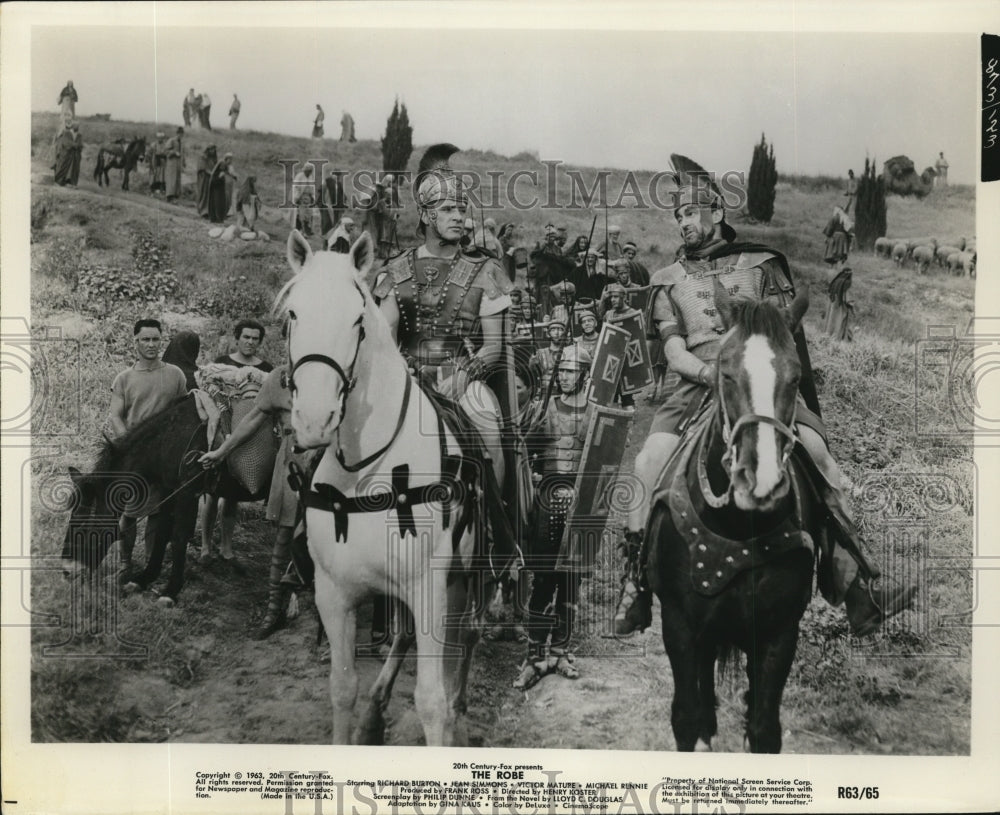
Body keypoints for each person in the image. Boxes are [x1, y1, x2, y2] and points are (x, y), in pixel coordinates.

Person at [613, 177, 916, 638]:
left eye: (691, 214)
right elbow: (673, 351)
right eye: (677, 217)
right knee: (647, 461)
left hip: (761, 382)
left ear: (716, 214)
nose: (684, 224)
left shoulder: (761, 263)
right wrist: (710, 375)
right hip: (699, 382)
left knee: (817, 453)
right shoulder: (664, 280)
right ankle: (634, 585)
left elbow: (782, 331)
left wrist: (758, 375)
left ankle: (858, 584)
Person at [372, 145, 513, 405]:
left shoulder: (485, 270)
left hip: (462, 380)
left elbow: (494, 345)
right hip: (406, 379)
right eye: (448, 210)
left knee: (486, 425)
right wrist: (401, 374)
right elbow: (385, 337)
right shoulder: (395, 270)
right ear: (426, 214)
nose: (458, 217)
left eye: (461, 210)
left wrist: (464, 377)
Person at [199, 361, 307, 638]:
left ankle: (319, 608)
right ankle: (275, 608)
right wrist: (222, 451)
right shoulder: (278, 377)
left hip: (329, 459)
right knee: (285, 534)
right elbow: (252, 419)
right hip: (292, 458)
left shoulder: (334, 370)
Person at [513, 345, 594, 689]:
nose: (563, 376)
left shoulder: (595, 413)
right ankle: (534, 656)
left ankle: (560, 651)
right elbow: (524, 448)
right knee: (544, 578)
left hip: (580, 505)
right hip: (548, 501)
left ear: (584, 375)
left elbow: (602, 461)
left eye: (570, 371)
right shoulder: (545, 409)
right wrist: (530, 476)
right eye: (560, 370)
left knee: (571, 581)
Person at [109, 319, 189, 569]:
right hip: (135, 457)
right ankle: (125, 563)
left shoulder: (175, 374)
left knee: (159, 512)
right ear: (136, 342)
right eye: (146, 339)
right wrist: (128, 446)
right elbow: (115, 415)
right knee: (130, 513)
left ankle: (149, 565)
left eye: (156, 339)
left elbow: (182, 411)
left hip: (165, 459)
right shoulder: (124, 378)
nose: (152, 344)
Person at [200, 320, 273, 562]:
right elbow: (209, 394)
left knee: (232, 496)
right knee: (212, 492)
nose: (250, 342)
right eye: (246, 337)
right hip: (221, 436)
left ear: (260, 342)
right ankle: (205, 545)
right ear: (237, 338)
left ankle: (226, 546)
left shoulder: (266, 369)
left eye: (255, 338)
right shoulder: (223, 363)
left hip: (247, 443)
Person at [531, 320, 567, 389]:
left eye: (560, 330)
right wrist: (532, 364)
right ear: (548, 334)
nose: (556, 333)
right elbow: (531, 375)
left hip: (565, 393)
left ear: (564, 333)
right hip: (546, 392)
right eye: (553, 330)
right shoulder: (540, 353)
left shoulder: (569, 352)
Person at [207, 152, 237, 223]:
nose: (231, 161)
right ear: (227, 159)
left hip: (219, 185)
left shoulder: (225, 164)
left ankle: (219, 218)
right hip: (216, 186)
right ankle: (217, 218)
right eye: (230, 159)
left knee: (220, 202)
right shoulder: (222, 163)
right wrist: (222, 176)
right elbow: (220, 175)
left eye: (231, 159)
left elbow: (226, 173)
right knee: (218, 202)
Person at [291, 163, 317, 236]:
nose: (309, 172)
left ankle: (308, 230)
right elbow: (295, 187)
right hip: (301, 197)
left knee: (309, 215)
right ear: (305, 170)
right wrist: (296, 198)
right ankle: (300, 230)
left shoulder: (311, 177)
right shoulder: (299, 176)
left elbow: (312, 188)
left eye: (310, 171)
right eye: (308, 171)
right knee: (301, 215)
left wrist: (313, 197)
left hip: (308, 197)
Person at [822, 205, 853, 270]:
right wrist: (848, 239)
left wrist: (828, 236)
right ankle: (839, 267)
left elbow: (830, 229)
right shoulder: (846, 218)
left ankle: (832, 268)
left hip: (835, 236)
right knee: (841, 253)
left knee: (833, 252)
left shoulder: (834, 218)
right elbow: (849, 230)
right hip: (843, 238)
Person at [53, 121, 82, 187]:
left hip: (75, 155)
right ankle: (59, 181)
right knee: (63, 167)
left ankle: (71, 182)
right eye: (76, 126)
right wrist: (74, 145)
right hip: (66, 154)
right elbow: (66, 143)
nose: (77, 128)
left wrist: (77, 145)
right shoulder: (67, 133)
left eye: (78, 127)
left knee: (74, 169)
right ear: (73, 126)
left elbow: (80, 144)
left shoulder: (79, 135)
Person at [196, 145, 218, 217]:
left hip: (211, 179)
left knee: (210, 195)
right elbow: (202, 167)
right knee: (204, 194)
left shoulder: (214, 158)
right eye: (211, 149)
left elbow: (216, 167)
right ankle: (202, 211)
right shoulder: (203, 157)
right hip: (204, 179)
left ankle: (208, 211)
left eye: (214, 150)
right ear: (208, 150)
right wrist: (209, 172)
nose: (213, 151)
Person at [164, 127, 184, 203]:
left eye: (182, 134)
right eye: (179, 134)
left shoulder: (181, 142)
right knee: (171, 180)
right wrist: (174, 153)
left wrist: (183, 162)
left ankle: (175, 196)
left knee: (177, 180)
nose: (181, 135)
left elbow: (182, 153)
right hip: (171, 164)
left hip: (178, 164)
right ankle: (169, 196)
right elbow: (166, 151)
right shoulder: (171, 140)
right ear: (177, 133)